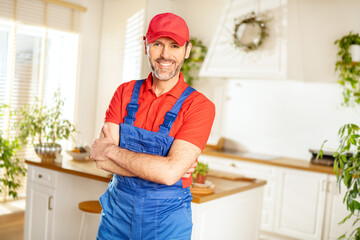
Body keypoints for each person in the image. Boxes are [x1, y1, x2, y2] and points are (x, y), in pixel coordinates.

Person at [91, 12, 215, 240]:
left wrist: (110, 150)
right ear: (145, 45)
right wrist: (161, 169)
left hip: (167, 223)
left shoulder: (199, 106)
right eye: (157, 44)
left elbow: (169, 175)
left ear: (187, 50)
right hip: (116, 215)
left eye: (175, 46)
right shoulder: (124, 92)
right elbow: (101, 162)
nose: (165, 55)